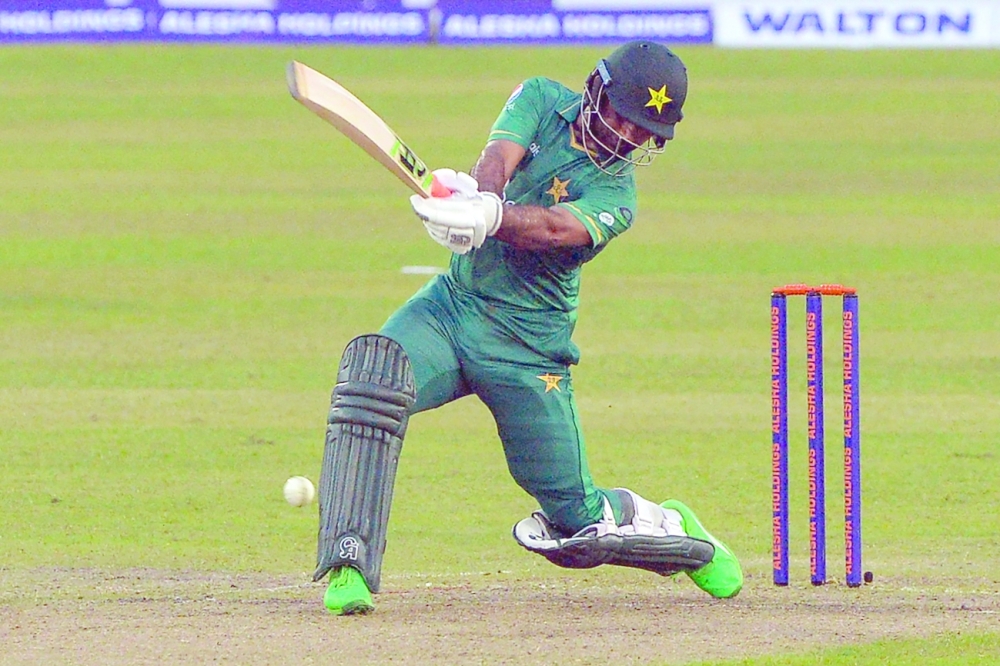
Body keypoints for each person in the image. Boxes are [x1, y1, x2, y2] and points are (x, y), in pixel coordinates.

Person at [312, 40, 743, 616]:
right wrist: (474, 196)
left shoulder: (618, 194)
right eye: (623, 118)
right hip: (452, 309)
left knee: (576, 525)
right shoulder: (540, 98)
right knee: (372, 379)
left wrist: (491, 218)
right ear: (596, 91)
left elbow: (553, 230)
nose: (629, 138)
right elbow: (498, 157)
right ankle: (348, 563)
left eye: (645, 133)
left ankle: (679, 536)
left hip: (529, 354)